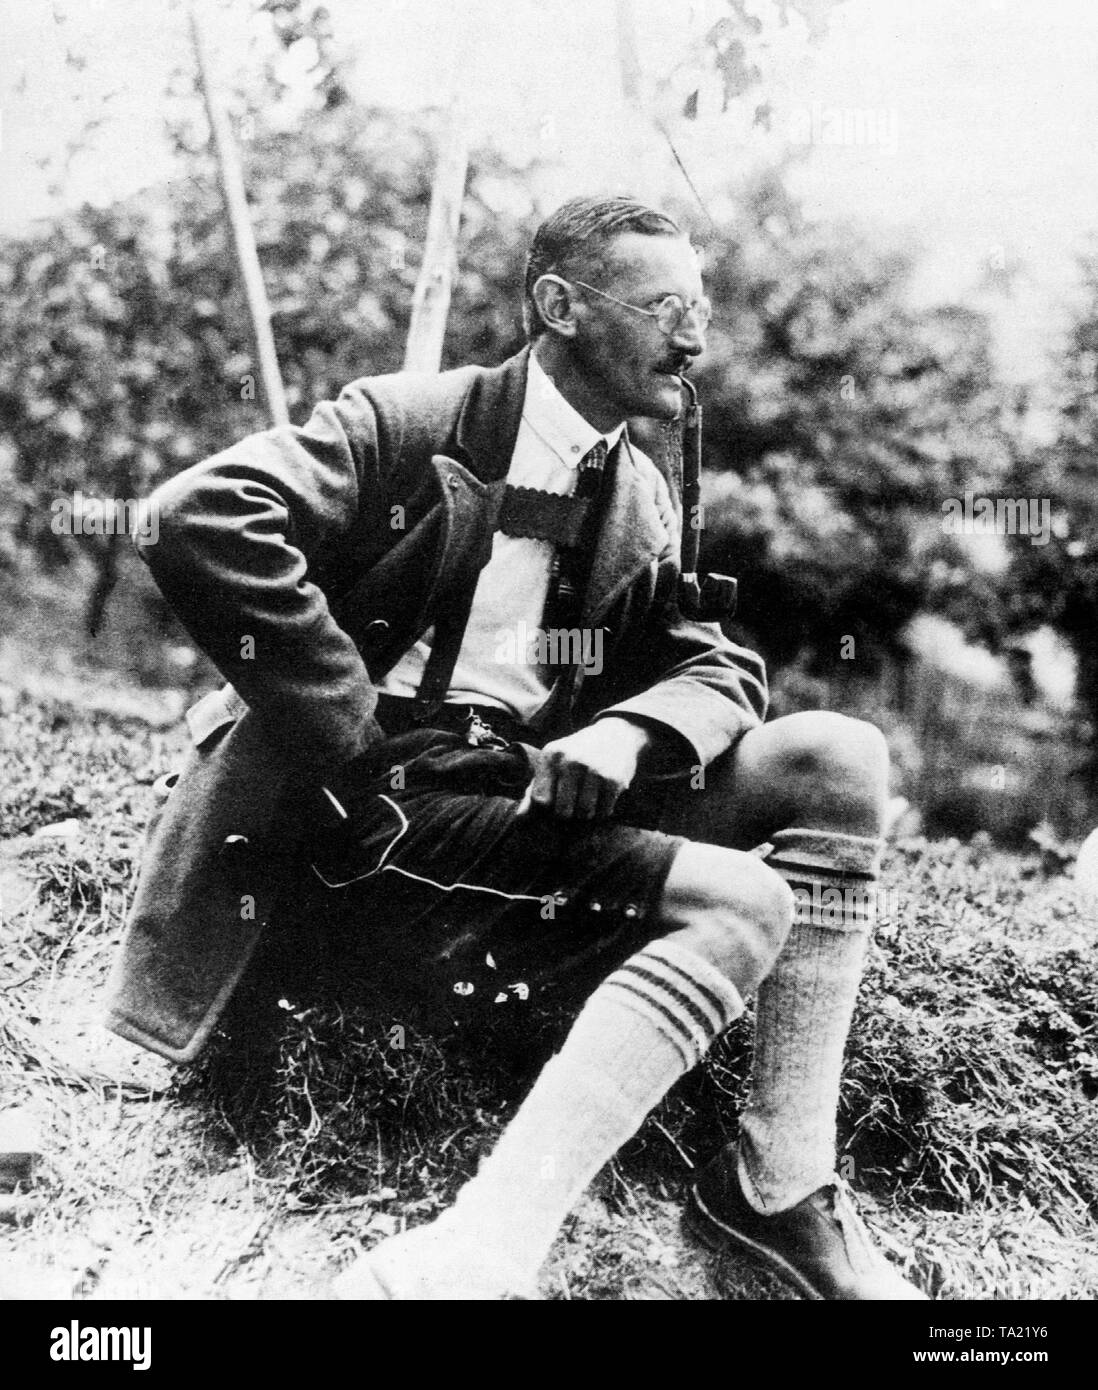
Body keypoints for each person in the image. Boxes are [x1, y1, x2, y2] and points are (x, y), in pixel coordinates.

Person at [106, 195, 926, 1302]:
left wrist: (631, 729)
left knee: (839, 755)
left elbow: (717, 662)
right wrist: (348, 729)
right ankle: (470, 1257)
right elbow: (198, 513)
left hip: (500, 804)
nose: (694, 336)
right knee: (742, 902)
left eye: (704, 308)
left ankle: (779, 1179)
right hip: (350, 820)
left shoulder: (636, 488)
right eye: (665, 306)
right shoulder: (412, 420)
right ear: (560, 307)